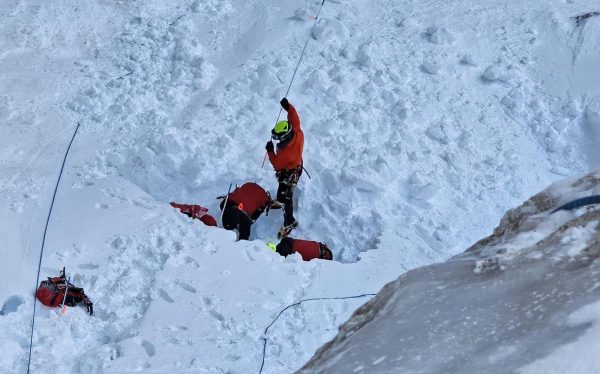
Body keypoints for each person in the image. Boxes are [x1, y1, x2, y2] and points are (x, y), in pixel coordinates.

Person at [266, 97, 304, 238]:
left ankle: (290, 221)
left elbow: (276, 164)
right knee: (282, 191)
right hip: (296, 166)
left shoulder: (286, 153)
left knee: (285, 195)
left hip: (290, 172)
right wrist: (288, 107)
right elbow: (294, 116)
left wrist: (270, 151)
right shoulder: (296, 131)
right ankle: (280, 200)